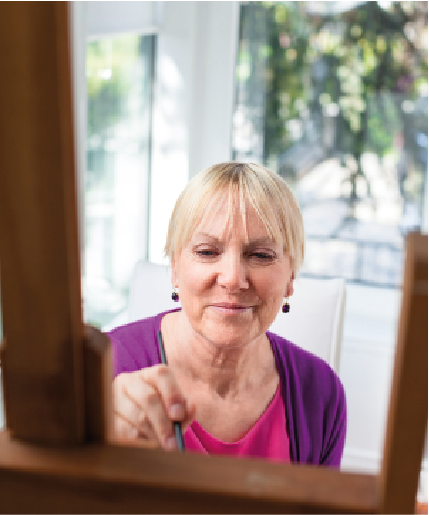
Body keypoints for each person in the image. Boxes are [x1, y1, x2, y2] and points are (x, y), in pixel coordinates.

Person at [109, 161, 346, 467]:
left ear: (291, 276)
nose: (233, 278)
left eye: (261, 255)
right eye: (207, 252)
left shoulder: (321, 394)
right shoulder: (105, 370)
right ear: (175, 269)